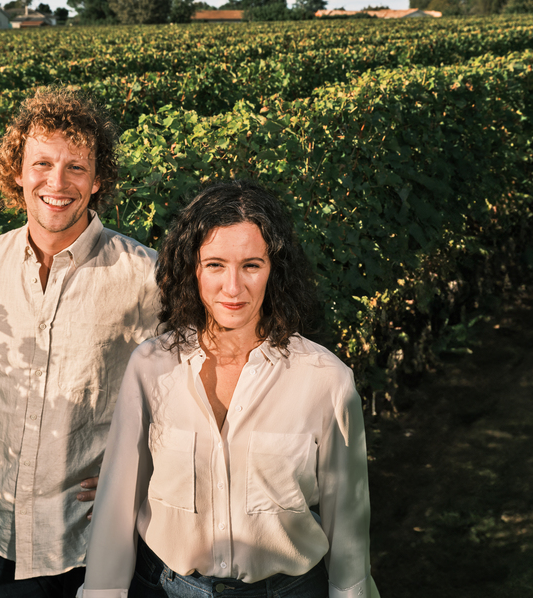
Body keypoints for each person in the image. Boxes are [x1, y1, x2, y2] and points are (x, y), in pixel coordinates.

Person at [80, 180, 378, 598]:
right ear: (192, 268)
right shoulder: (150, 366)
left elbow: (347, 527)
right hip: (165, 588)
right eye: (216, 265)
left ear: (275, 270)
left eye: (251, 265)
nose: (233, 287)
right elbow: (117, 508)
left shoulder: (326, 380)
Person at [0, 87, 161, 597]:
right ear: (17, 173)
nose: (57, 182)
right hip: (6, 528)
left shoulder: (143, 275)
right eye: (42, 164)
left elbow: (180, 387)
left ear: (98, 179)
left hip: (96, 535)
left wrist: (142, 471)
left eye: (76, 167)